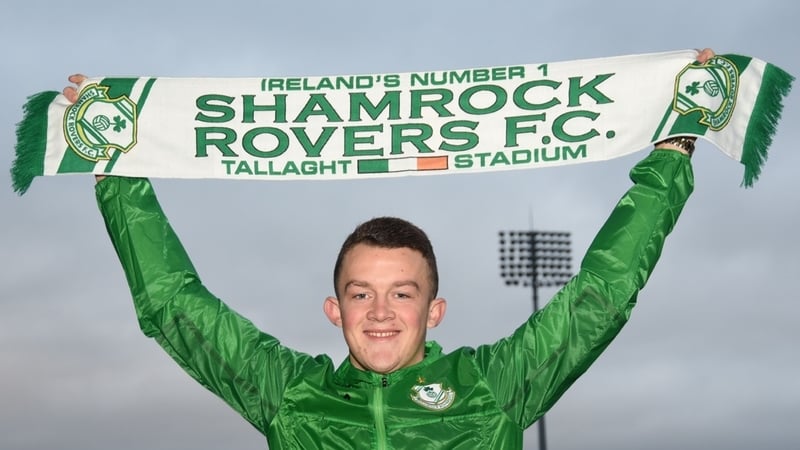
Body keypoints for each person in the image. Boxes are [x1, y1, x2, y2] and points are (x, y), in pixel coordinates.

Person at [64, 48, 714, 449]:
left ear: (434, 310)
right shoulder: (289, 395)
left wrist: (672, 153)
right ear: (334, 310)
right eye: (361, 294)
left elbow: (600, 296)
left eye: (402, 293)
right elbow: (171, 305)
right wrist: (117, 173)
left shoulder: (493, 387)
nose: (380, 312)